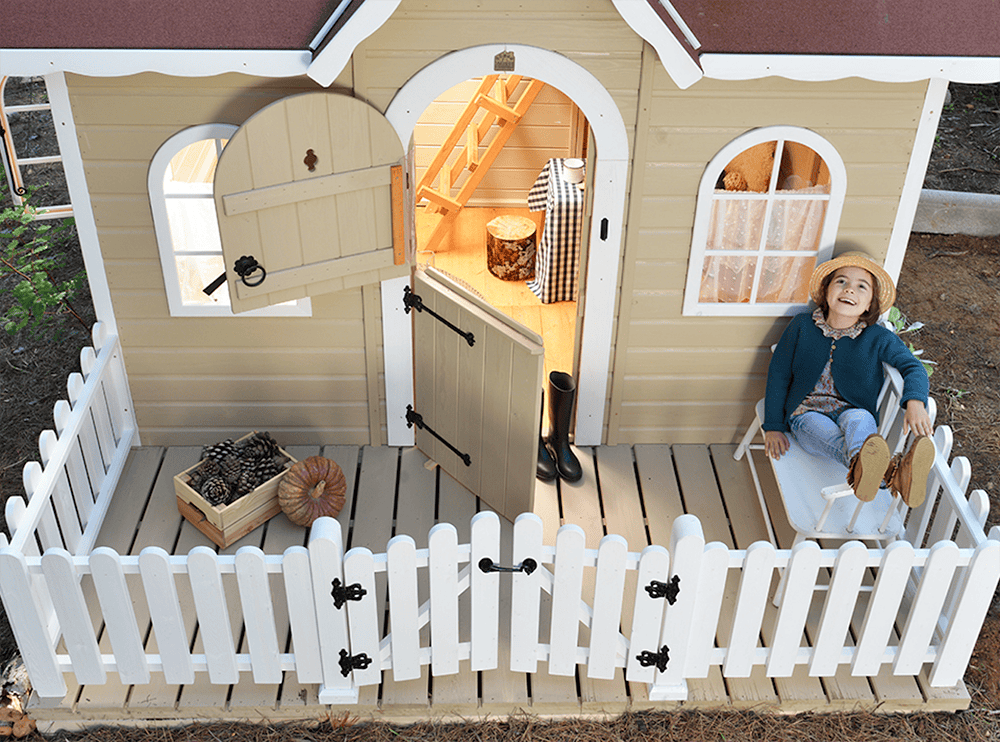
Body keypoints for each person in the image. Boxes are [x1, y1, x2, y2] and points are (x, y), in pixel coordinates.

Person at [763, 251, 936, 507]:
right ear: (826, 291)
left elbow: (913, 367)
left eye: (861, 286)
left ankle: (880, 473)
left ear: (869, 305)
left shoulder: (877, 338)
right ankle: (895, 474)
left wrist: (915, 402)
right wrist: (774, 426)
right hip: (806, 413)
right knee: (825, 433)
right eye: (841, 281)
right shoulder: (802, 326)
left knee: (862, 419)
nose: (849, 290)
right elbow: (778, 374)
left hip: (852, 410)